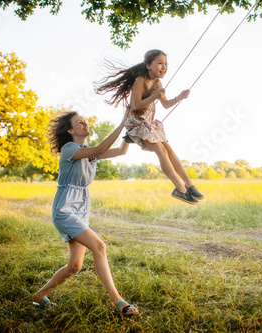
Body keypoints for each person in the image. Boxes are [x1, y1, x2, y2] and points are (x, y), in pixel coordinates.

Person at [32, 110, 138, 316]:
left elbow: (120, 151)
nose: (84, 124)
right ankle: (118, 302)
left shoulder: (90, 150)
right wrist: (123, 121)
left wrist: (129, 131)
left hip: (81, 207)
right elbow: (101, 148)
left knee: (74, 266)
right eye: (79, 122)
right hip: (65, 208)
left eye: (85, 121)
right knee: (99, 247)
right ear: (70, 130)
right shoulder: (69, 149)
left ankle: (40, 295)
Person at [95, 49, 204, 205]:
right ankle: (180, 189)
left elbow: (165, 104)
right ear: (148, 65)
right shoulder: (140, 80)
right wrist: (154, 96)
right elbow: (136, 105)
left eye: (166, 64)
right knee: (160, 150)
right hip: (137, 122)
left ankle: (189, 185)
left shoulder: (158, 83)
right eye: (159, 63)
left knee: (167, 149)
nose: (164, 67)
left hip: (149, 123)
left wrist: (179, 97)